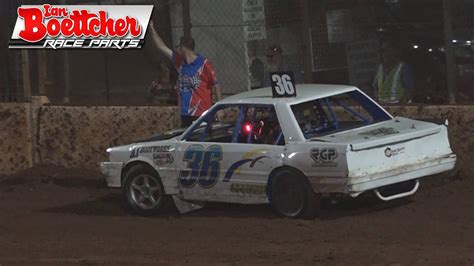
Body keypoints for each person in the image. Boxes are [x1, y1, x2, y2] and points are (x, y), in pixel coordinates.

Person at [148, 22, 223, 127]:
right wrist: (152, 28)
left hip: (201, 113)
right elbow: (162, 47)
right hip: (185, 114)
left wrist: (219, 109)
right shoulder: (180, 62)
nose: (176, 49)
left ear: (183, 47)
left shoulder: (203, 64)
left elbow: (216, 84)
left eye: (177, 46)